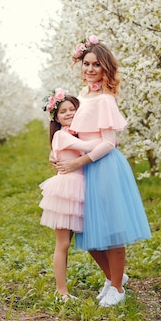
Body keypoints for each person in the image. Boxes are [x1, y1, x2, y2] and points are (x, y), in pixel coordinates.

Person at [53, 36, 151, 307]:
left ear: (106, 68)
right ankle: (113, 277)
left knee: (110, 229)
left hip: (103, 166)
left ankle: (117, 288)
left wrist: (77, 162)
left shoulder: (105, 100)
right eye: (86, 64)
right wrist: (62, 155)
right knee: (88, 230)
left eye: (97, 64)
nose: (91, 69)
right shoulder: (83, 96)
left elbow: (109, 142)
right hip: (83, 166)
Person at [39, 88, 99, 301]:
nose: (69, 114)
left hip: (81, 190)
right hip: (67, 192)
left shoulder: (73, 133)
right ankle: (62, 291)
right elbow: (89, 146)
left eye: (73, 109)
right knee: (63, 243)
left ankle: (115, 277)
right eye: (63, 111)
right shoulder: (62, 135)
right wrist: (106, 138)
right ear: (55, 117)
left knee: (89, 240)